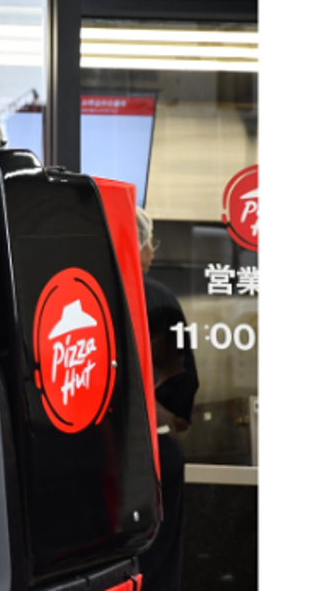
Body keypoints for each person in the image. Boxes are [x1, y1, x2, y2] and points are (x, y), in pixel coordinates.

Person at [135, 206, 198, 591]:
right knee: (156, 562)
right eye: (149, 242)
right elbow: (181, 397)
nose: (153, 252)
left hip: (89, 454)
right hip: (154, 454)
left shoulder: (80, 289)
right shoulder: (157, 298)